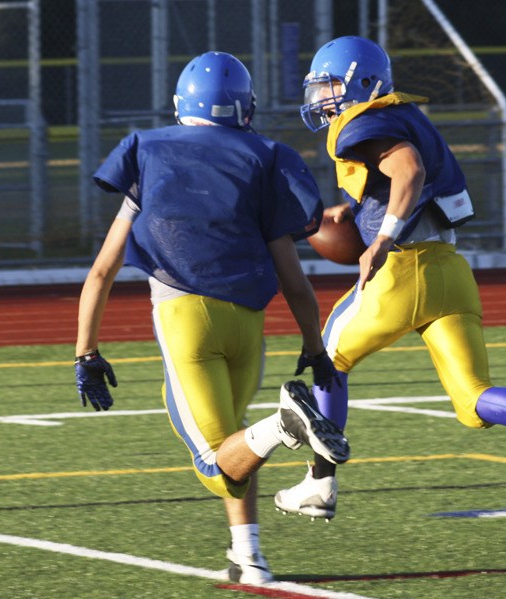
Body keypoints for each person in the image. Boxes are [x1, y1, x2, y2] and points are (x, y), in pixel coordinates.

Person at [274, 35, 506, 521]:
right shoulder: (406, 114)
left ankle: (319, 485)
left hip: (403, 270)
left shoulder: (360, 123)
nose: (321, 99)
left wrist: (381, 239)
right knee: (472, 398)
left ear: (360, 83)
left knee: (328, 360)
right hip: (450, 270)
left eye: (327, 87)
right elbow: (409, 180)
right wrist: (363, 209)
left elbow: (408, 170)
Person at [73, 51, 349, 585]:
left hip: (185, 320)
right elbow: (295, 280)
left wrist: (86, 350)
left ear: (181, 104)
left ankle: (286, 423)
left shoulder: (150, 153)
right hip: (249, 324)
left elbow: (103, 270)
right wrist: (316, 351)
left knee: (213, 462)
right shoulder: (262, 159)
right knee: (235, 445)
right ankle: (249, 557)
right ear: (245, 108)